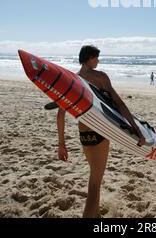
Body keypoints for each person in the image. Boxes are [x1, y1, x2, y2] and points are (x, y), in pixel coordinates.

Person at [57, 45, 145, 218]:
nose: (98, 61)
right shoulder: (100, 77)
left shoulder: (73, 80)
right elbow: (119, 104)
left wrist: (62, 144)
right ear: (90, 58)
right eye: (97, 58)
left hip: (84, 134)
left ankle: (96, 215)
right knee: (95, 184)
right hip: (101, 132)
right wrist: (137, 130)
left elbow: (60, 115)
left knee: (94, 175)